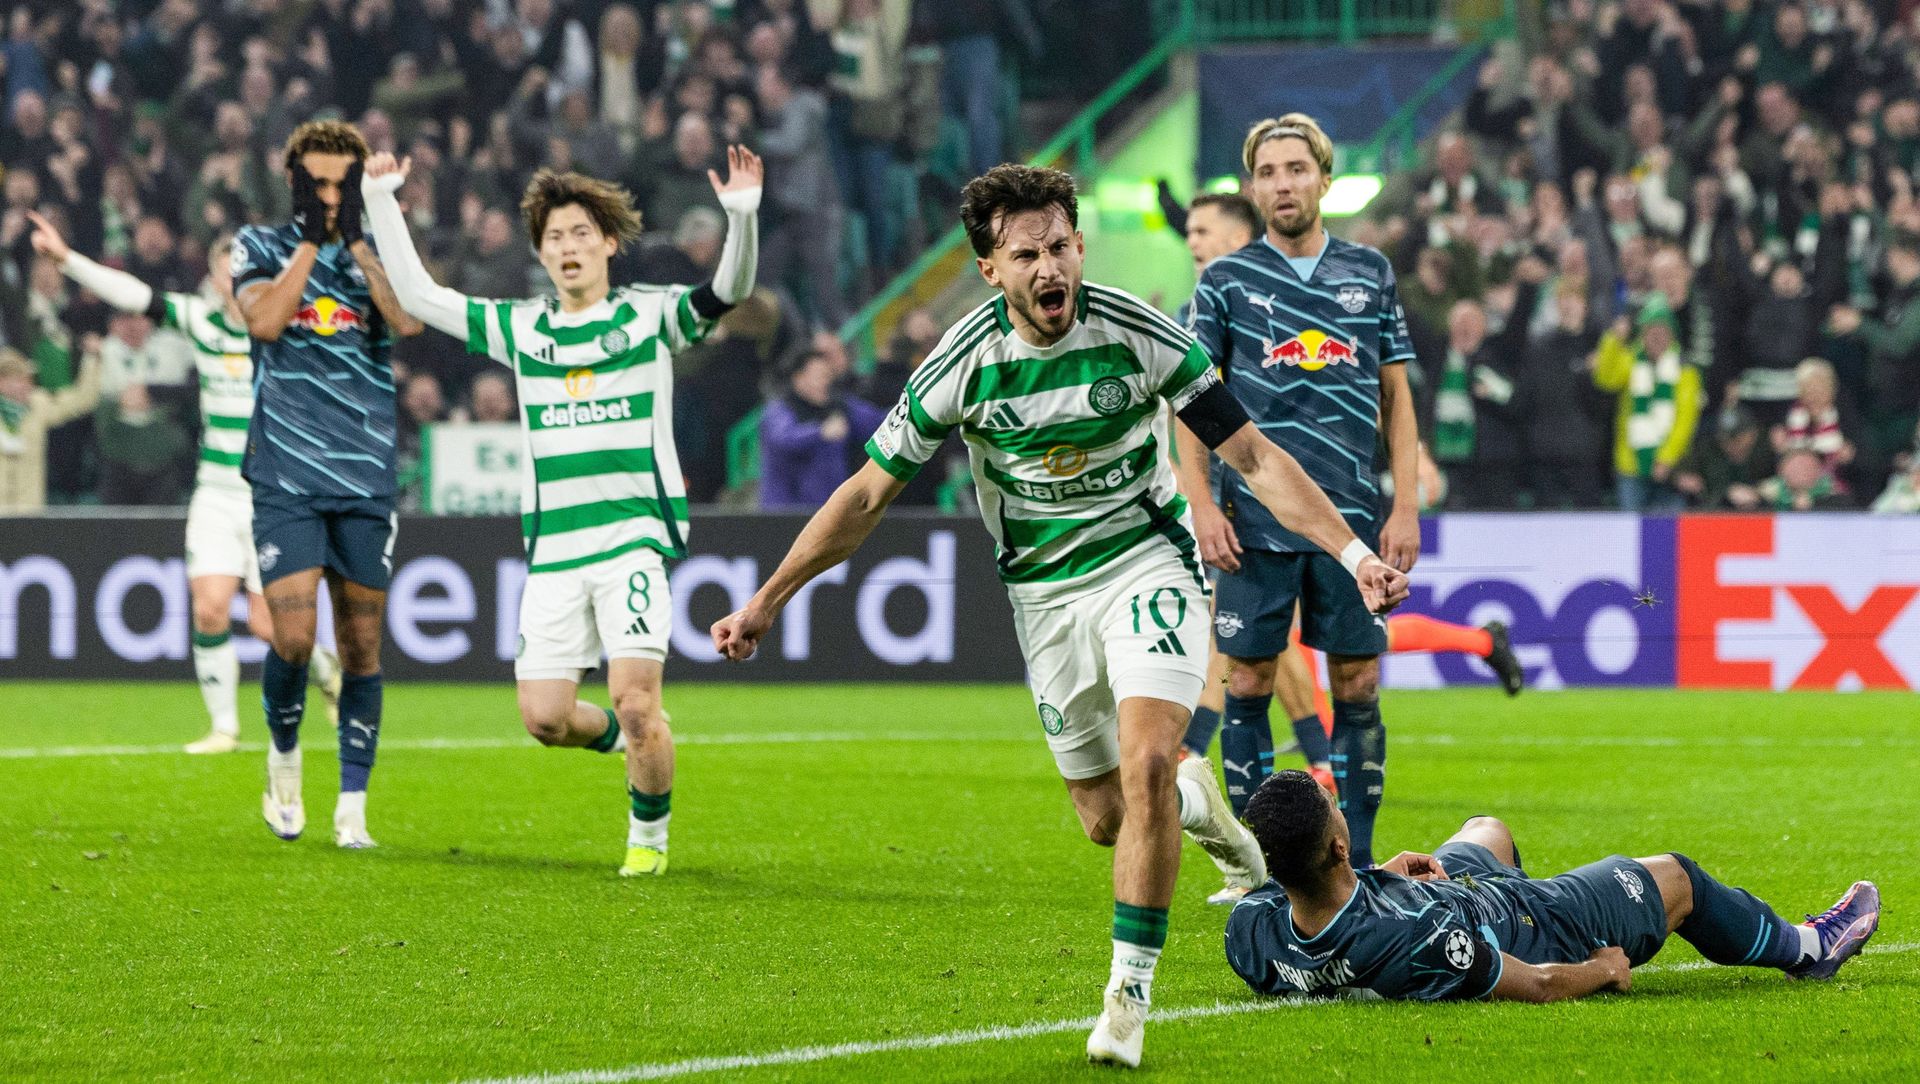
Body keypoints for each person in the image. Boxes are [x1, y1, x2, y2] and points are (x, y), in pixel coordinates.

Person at [709, 164, 1409, 1069]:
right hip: (1043, 595)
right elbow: (865, 496)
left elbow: (1253, 453)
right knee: (1109, 817)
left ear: (1080, 248)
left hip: (1146, 563)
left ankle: (1126, 999)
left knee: (1151, 755)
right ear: (990, 268)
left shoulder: (1140, 333)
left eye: (1061, 247)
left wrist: (1354, 555)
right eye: (1026, 253)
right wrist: (767, 600)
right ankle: (1209, 811)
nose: (1051, 268)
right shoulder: (961, 364)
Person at [362, 145, 764, 878]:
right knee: (545, 720)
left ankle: (648, 840)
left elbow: (726, 291)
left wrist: (741, 216)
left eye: (581, 233)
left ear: (609, 242)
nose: (568, 247)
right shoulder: (524, 330)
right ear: (541, 255)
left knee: (640, 701)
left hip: (632, 542)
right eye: (554, 238)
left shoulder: (648, 318)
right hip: (554, 553)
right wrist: (384, 200)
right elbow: (419, 298)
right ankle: (621, 739)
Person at [1181, 115, 1421, 874]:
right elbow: (1191, 400)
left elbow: (1398, 397)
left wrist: (1406, 503)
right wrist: (1200, 502)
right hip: (1250, 519)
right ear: (1253, 188)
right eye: (1268, 172)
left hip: (1351, 513)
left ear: (1322, 176)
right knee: (1247, 678)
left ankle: (1362, 861)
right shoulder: (1225, 282)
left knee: (1357, 681)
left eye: (1296, 168)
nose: (1283, 184)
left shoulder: (1370, 273)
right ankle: (1263, 867)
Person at [30, 214, 343, 753]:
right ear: (215, 280)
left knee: (271, 630)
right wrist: (69, 261)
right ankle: (225, 727)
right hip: (217, 493)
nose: (231, 282)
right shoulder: (202, 322)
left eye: (240, 271)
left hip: (273, 497)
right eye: (224, 273)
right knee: (208, 607)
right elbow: (136, 295)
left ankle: (325, 666)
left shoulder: (288, 326)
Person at [1225, 769, 1880, 1001]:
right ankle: (1807, 949)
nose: (1339, 807)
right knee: (1676, 878)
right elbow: (1534, 983)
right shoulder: (1424, 939)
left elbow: (1314, 909)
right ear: (1338, 845)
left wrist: (1382, 878)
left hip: (1442, 894)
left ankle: (1535, 890)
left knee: (1488, 827)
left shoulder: (1250, 927)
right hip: (1525, 925)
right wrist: (1599, 971)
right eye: (1332, 806)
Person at [233, 120, 425, 849]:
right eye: (318, 182)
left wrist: (358, 243)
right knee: (292, 637)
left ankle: (353, 809)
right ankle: (284, 755)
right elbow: (266, 323)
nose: (331, 194)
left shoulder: (373, 253)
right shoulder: (258, 245)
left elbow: (406, 320)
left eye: (342, 183)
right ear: (293, 182)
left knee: (363, 649)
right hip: (285, 470)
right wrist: (311, 241)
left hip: (365, 472)